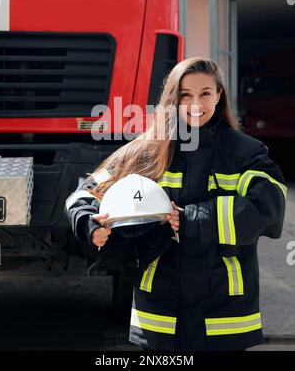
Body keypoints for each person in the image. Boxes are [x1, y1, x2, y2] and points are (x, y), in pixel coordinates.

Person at [65, 57, 287, 352]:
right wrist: (90, 223)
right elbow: (85, 191)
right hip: (160, 315)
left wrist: (196, 219)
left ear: (219, 95)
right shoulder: (144, 152)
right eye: (186, 94)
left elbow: (271, 205)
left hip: (223, 316)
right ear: (173, 98)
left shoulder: (244, 153)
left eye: (206, 93)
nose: (196, 103)